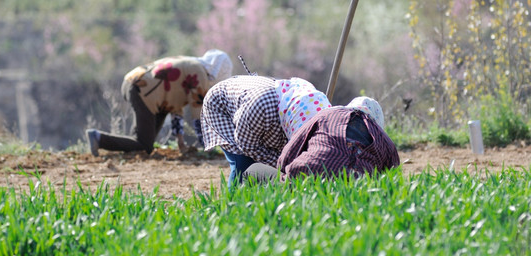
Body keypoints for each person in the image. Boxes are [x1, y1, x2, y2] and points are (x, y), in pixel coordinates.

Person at [87, 49, 233, 156]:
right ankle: (99, 138)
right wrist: (209, 147)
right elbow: (199, 113)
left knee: (143, 143)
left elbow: (176, 107)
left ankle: (122, 147)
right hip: (142, 90)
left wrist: (180, 141)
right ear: (217, 72)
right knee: (144, 145)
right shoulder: (199, 71)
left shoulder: (190, 63)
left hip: (138, 85)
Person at [200, 75, 330, 187]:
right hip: (223, 108)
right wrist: (283, 165)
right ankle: (233, 204)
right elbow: (248, 146)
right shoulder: (261, 109)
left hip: (260, 116)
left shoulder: (315, 110)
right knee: (243, 164)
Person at [242, 96, 400, 183]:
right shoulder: (386, 141)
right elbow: (389, 179)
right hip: (355, 186)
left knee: (252, 171)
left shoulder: (327, 114)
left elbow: (288, 155)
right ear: (378, 123)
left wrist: (284, 171)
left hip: (302, 178)